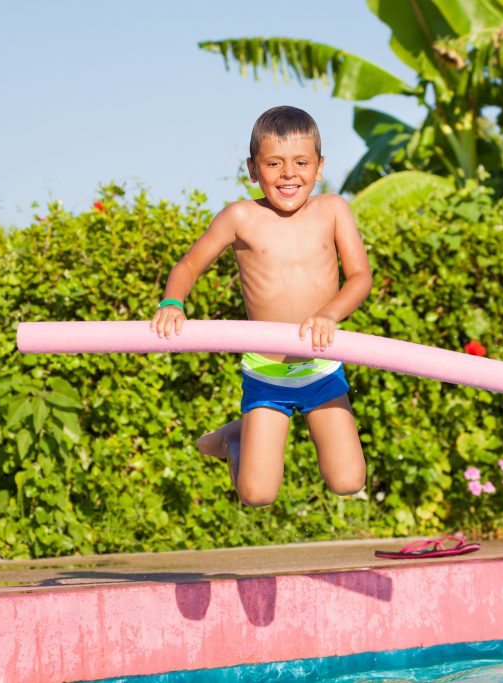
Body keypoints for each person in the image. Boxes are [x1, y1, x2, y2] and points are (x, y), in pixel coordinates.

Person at [150, 105, 373, 507]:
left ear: (319, 167)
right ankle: (237, 438)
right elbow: (188, 265)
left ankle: (245, 433)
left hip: (320, 367)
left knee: (348, 480)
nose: (289, 174)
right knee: (256, 494)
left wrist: (329, 313)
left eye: (301, 162)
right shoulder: (240, 217)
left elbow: (360, 277)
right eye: (274, 163)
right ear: (253, 169)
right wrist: (172, 302)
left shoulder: (333, 210)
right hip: (267, 375)